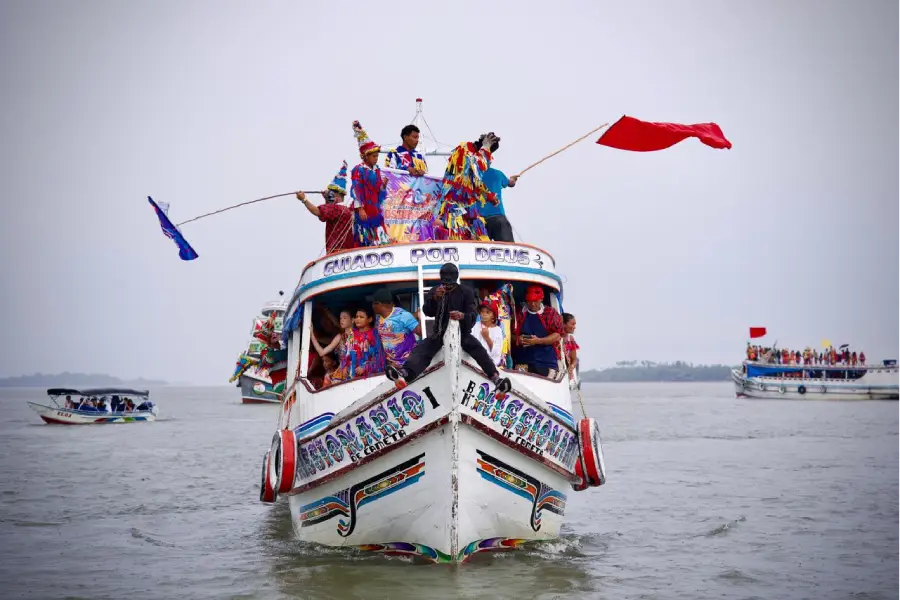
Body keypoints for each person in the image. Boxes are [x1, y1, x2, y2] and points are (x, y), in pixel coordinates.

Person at [386, 263, 511, 394]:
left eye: (450, 284)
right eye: (445, 283)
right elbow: (427, 312)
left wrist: (462, 316)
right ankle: (405, 374)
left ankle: (496, 378)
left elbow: (473, 315)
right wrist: (435, 298)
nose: (447, 286)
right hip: (439, 333)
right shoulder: (435, 291)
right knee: (423, 349)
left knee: (478, 349)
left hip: (462, 333)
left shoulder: (466, 292)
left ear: (456, 279)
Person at [432, 133, 501, 241]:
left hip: (468, 203)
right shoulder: (465, 149)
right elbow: (475, 169)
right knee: (456, 231)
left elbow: (475, 181)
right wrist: (486, 148)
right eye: (490, 151)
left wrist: (489, 195)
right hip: (454, 199)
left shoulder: (478, 155)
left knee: (479, 231)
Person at [297, 161, 356, 254]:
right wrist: (327, 200)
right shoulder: (348, 210)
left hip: (336, 253)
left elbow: (318, 212)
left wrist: (304, 200)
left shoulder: (336, 209)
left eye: (331, 193)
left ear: (337, 195)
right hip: (349, 252)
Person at [350, 120, 391, 247]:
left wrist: (383, 185)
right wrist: (360, 209)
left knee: (379, 230)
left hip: (375, 206)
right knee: (364, 233)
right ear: (365, 157)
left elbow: (379, 190)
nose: (376, 158)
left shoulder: (377, 169)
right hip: (364, 207)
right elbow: (356, 191)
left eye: (377, 156)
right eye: (373, 156)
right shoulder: (358, 169)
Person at [512, 284, 566, 377]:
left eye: (535, 301)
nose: (532, 304)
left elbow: (557, 335)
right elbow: (507, 335)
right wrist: (518, 339)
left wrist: (538, 341)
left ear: (541, 299)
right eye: (530, 301)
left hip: (546, 362)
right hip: (523, 361)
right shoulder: (519, 313)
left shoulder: (550, 313)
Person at [480, 138, 519, 242]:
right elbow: (511, 183)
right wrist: (513, 179)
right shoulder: (498, 174)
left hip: (478, 222)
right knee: (507, 250)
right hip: (498, 219)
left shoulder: (470, 176)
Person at [372, 288, 421, 368]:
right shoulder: (378, 318)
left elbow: (421, 332)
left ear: (378, 304)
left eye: (373, 303)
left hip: (408, 364)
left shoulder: (402, 315)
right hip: (392, 365)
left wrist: (420, 317)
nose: (372, 306)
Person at [477, 301, 505, 367]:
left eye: (487, 312)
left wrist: (487, 338)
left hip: (491, 366)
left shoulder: (497, 330)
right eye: (482, 311)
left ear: (493, 315)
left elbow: (497, 352)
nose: (484, 314)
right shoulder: (474, 326)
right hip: (475, 363)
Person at [562, 312, 580, 380]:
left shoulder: (570, 339)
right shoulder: (555, 337)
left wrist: (572, 366)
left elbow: (574, 359)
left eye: (574, 324)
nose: (574, 327)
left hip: (566, 375)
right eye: (572, 324)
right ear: (563, 324)